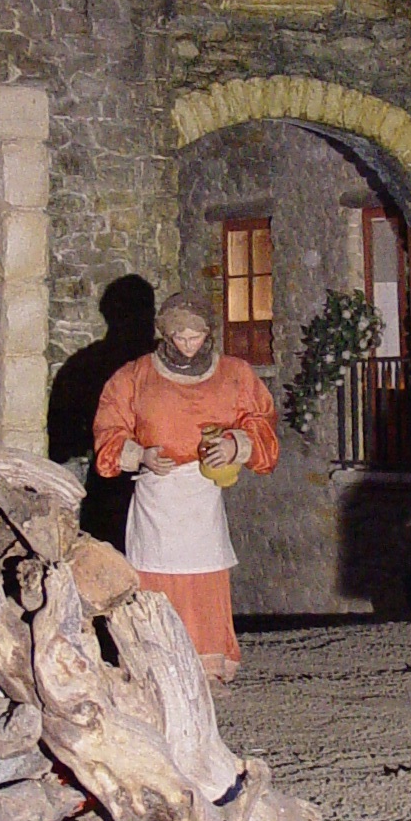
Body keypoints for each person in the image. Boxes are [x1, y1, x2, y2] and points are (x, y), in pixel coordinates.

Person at [92, 292, 278, 683]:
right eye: (180, 337)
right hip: (156, 495)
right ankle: (155, 667)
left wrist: (234, 445)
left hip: (202, 495)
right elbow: (108, 430)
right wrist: (139, 455)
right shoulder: (135, 376)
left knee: (203, 579)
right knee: (156, 580)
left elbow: (262, 424)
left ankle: (208, 667)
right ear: (165, 333)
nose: (188, 344)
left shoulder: (234, 375)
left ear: (209, 333)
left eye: (196, 336)